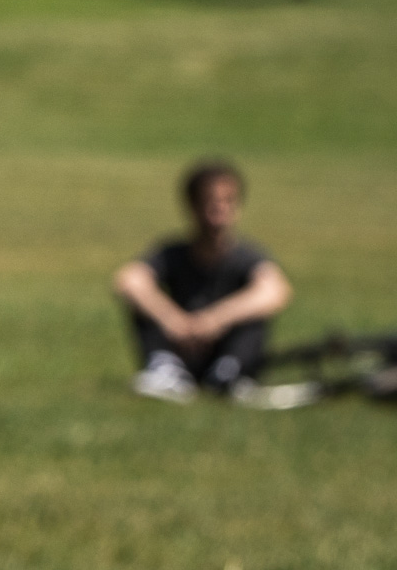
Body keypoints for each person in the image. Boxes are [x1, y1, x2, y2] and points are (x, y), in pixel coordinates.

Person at [113, 159, 293, 404]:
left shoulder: (246, 257)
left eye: (227, 201)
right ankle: (166, 369)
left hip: (225, 347)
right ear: (192, 205)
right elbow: (128, 280)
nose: (218, 210)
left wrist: (215, 319)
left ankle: (230, 372)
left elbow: (275, 291)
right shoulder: (172, 254)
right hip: (181, 346)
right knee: (143, 301)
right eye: (209, 201)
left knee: (255, 309)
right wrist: (172, 320)